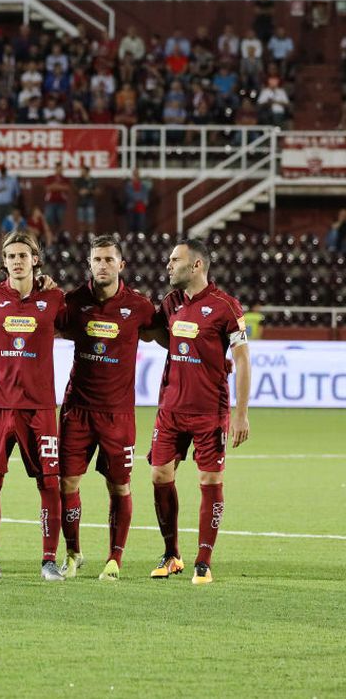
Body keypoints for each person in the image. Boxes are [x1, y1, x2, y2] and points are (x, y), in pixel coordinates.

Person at [144, 239, 251, 585]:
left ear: (197, 266)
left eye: (175, 260)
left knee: (209, 480)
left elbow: (243, 359)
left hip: (210, 412)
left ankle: (203, 561)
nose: (168, 265)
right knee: (159, 475)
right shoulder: (170, 303)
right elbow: (158, 334)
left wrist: (240, 414)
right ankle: (171, 553)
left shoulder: (225, 306)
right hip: (171, 409)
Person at [57, 235, 157, 580]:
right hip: (77, 410)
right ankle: (72, 553)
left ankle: (114, 558)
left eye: (108, 259)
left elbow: (165, 335)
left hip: (118, 415)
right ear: (89, 264)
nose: (102, 265)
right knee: (67, 483)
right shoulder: (72, 303)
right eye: (96, 259)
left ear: (121, 265)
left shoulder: (140, 308)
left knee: (119, 486)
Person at [0, 231, 67, 580]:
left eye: (23, 255)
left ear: (35, 259)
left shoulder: (55, 298)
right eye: (11, 256)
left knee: (49, 483)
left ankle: (49, 561)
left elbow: (81, 327)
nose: (17, 261)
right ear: (4, 261)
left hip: (39, 407)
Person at [0, 166, 20, 236]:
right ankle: (1, 237)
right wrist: (1, 189)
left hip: (9, 203)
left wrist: (15, 202)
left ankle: (10, 236)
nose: (3, 173)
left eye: (4, 171)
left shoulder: (12, 180)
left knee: (9, 220)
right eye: (2, 172)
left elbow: (17, 192)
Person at [43, 163, 70, 230]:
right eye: (58, 168)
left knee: (60, 220)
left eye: (61, 169)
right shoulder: (50, 178)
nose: (60, 170)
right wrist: (60, 187)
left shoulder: (65, 178)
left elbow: (66, 188)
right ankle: (49, 235)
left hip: (61, 202)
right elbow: (48, 188)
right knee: (49, 219)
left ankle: (58, 236)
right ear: (56, 169)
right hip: (50, 202)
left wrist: (55, 186)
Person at [124, 169, 150, 233]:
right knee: (131, 226)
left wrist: (137, 196)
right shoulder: (129, 185)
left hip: (141, 208)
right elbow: (130, 195)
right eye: (135, 174)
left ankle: (140, 241)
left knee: (141, 227)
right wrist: (140, 197)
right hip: (131, 207)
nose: (136, 176)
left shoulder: (143, 185)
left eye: (137, 174)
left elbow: (145, 194)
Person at [75, 166, 97, 234]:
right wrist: (79, 191)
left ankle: (91, 236)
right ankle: (81, 237)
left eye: (83, 171)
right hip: (80, 203)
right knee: (81, 222)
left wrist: (88, 191)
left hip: (90, 203)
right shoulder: (78, 180)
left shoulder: (93, 180)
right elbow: (74, 190)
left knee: (91, 222)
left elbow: (98, 191)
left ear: (87, 171)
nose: (81, 172)